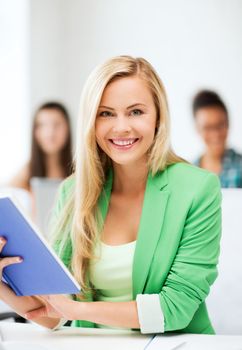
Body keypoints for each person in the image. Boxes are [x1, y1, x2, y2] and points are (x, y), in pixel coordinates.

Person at [0, 56, 221, 334]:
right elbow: (52, 312)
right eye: (106, 113)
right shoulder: (73, 191)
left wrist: (77, 310)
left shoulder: (197, 188)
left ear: (158, 117)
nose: (121, 127)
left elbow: (175, 309)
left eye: (136, 112)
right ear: (91, 122)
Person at [8, 102, 73, 192]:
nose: (50, 133)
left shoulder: (79, 169)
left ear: (68, 129)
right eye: (42, 125)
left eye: (57, 124)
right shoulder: (27, 172)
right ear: (35, 131)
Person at [192, 90, 242, 188]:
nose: (215, 134)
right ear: (197, 129)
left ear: (228, 123)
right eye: (207, 127)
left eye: (220, 125)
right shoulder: (190, 172)